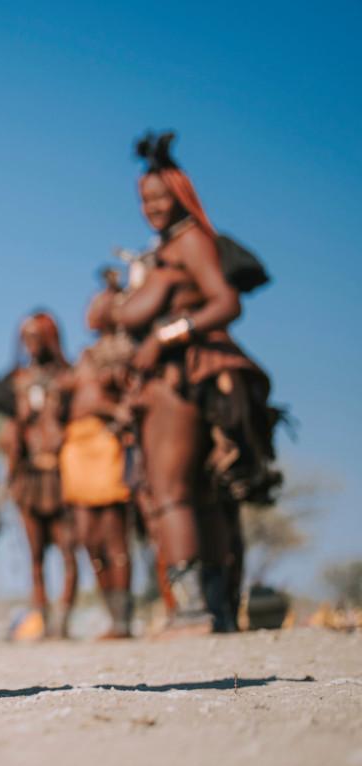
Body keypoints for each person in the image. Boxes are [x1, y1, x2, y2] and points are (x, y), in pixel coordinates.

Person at [109, 132, 278, 633]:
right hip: (168, 381)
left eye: (161, 196)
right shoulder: (165, 250)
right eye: (144, 199)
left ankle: (193, 611)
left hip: (182, 379)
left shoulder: (190, 241)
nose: (152, 207)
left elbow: (227, 302)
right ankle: (213, 609)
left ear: (181, 196)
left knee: (173, 492)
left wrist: (167, 334)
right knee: (192, 494)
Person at [59, 280, 135, 638]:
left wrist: (113, 410)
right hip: (77, 443)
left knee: (113, 534)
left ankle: (123, 619)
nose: (91, 309)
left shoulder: (124, 348)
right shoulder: (88, 353)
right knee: (88, 536)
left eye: (98, 303)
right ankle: (111, 614)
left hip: (105, 442)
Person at [2, 311, 77, 638]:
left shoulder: (69, 377)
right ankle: (43, 617)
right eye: (26, 338)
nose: (31, 344)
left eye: (37, 337)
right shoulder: (16, 380)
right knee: (35, 553)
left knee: (67, 547)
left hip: (61, 472)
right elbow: (8, 430)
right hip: (29, 475)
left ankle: (63, 620)